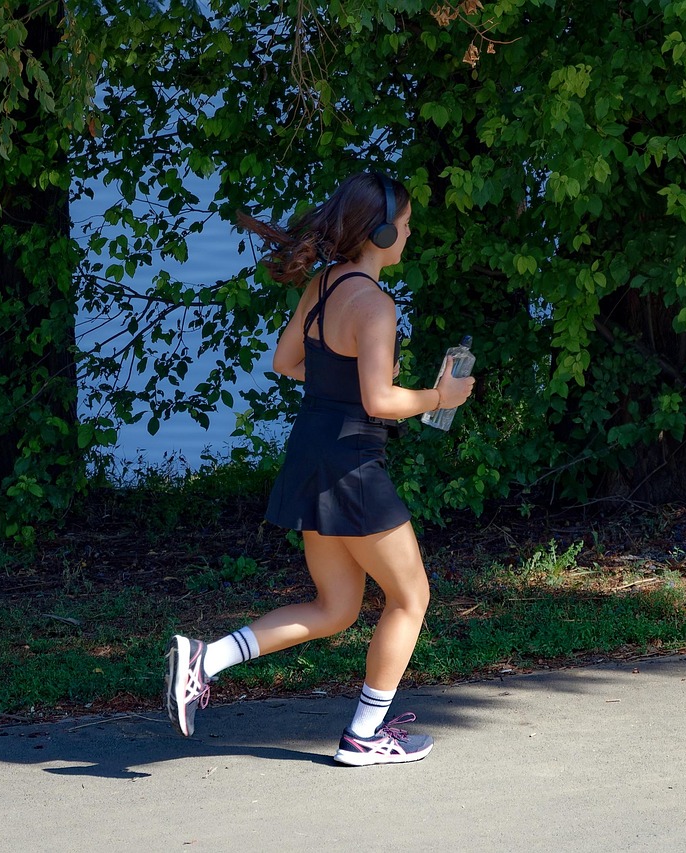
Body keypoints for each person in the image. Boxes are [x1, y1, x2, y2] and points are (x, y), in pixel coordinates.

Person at [163, 171, 475, 766]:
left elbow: (286, 361)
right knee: (411, 598)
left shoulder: (325, 284)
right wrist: (439, 399)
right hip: (353, 464)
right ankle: (364, 736)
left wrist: (348, 385)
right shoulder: (375, 306)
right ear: (381, 232)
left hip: (310, 453)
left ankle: (206, 659)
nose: (408, 235)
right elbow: (382, 402)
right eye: (404, 226)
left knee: (335, 608)